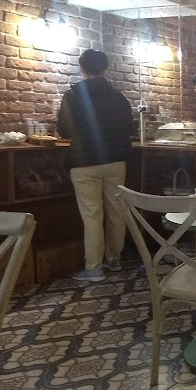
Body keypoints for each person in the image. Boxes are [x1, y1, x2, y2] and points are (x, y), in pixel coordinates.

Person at [57, 49, 133, 282]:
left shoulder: (72, 96)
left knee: (92, 215)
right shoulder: (119, 97)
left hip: (84, 163)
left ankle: (94, 268)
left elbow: (65, 131)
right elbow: (129, 128)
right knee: (116, 211)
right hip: (115, 160)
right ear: (105, 68)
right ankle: (114, 259)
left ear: (82, 68)